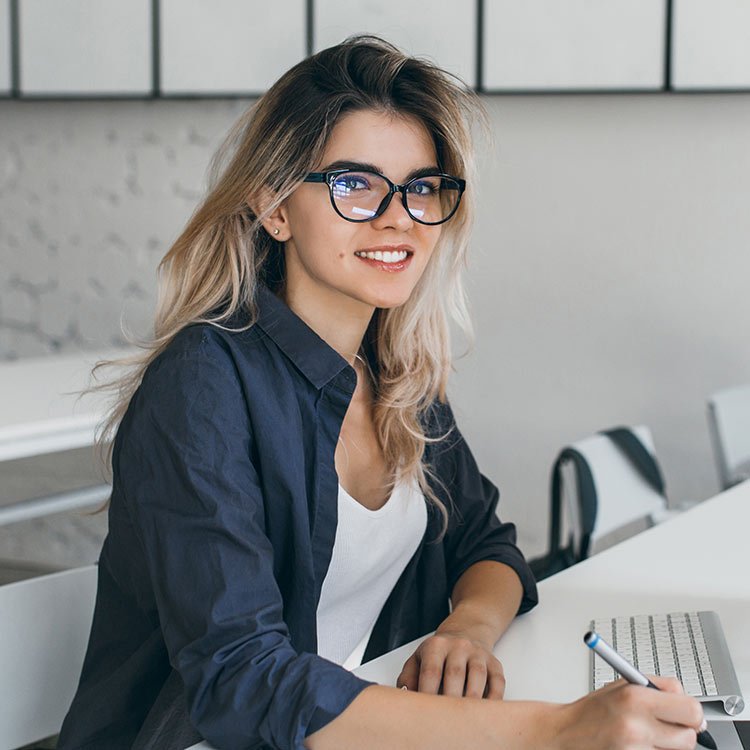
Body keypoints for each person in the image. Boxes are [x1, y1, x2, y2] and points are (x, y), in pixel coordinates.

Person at [59, 36, 706, 750]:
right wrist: (555, 731)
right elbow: (242, 681)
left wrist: (467, 629)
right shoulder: (202, 384)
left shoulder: (393, 371)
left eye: (421, 186)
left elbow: (486, 544)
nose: (398, 216)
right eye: (354, 183)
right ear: (274, 208)